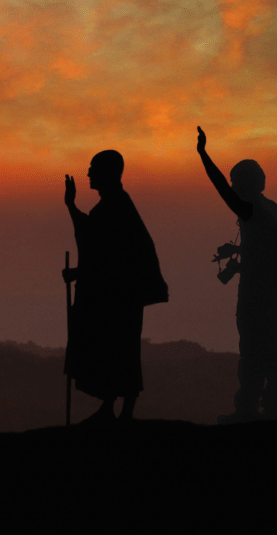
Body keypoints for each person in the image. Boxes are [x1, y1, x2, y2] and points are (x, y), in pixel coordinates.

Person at [62, 150, 168, 423]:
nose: (87, 174)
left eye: (92, 168)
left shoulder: (116, 205)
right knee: (113, 349)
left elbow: (109, 255)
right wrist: (71, 206)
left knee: (122, 349)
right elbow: (96, 243)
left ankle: (125, 412)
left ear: (107, 172)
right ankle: (109, 407)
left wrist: (79, 271)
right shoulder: (112, 204)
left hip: (120, 296)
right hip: (116, 294)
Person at [196, 126, 277, 424]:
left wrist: (203, 154)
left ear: (246, 184)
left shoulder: (250, 208)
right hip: (275, 292)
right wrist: (236, 254)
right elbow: (265, 252)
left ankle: (248, 409)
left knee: (252, 347)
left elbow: (219, 185)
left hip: (257, 293)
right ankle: (274, 408)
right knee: (273, 346)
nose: (233, 187)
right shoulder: (271, 209)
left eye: (237, 182)